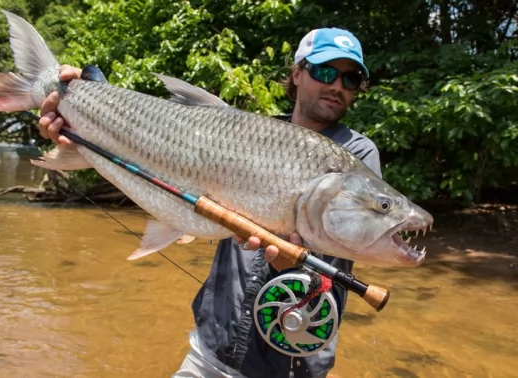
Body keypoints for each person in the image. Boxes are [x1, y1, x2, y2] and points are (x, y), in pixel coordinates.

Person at [38, 27, 381, 378]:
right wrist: (86, 106)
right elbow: (156, 159)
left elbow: (340, 242)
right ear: (297, 74)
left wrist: (291, 267)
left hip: (292, 363)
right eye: (325, 72)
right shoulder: (248, 131)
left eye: (350, 79)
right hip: (212, 349)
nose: (337, 86)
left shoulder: (355, 155)